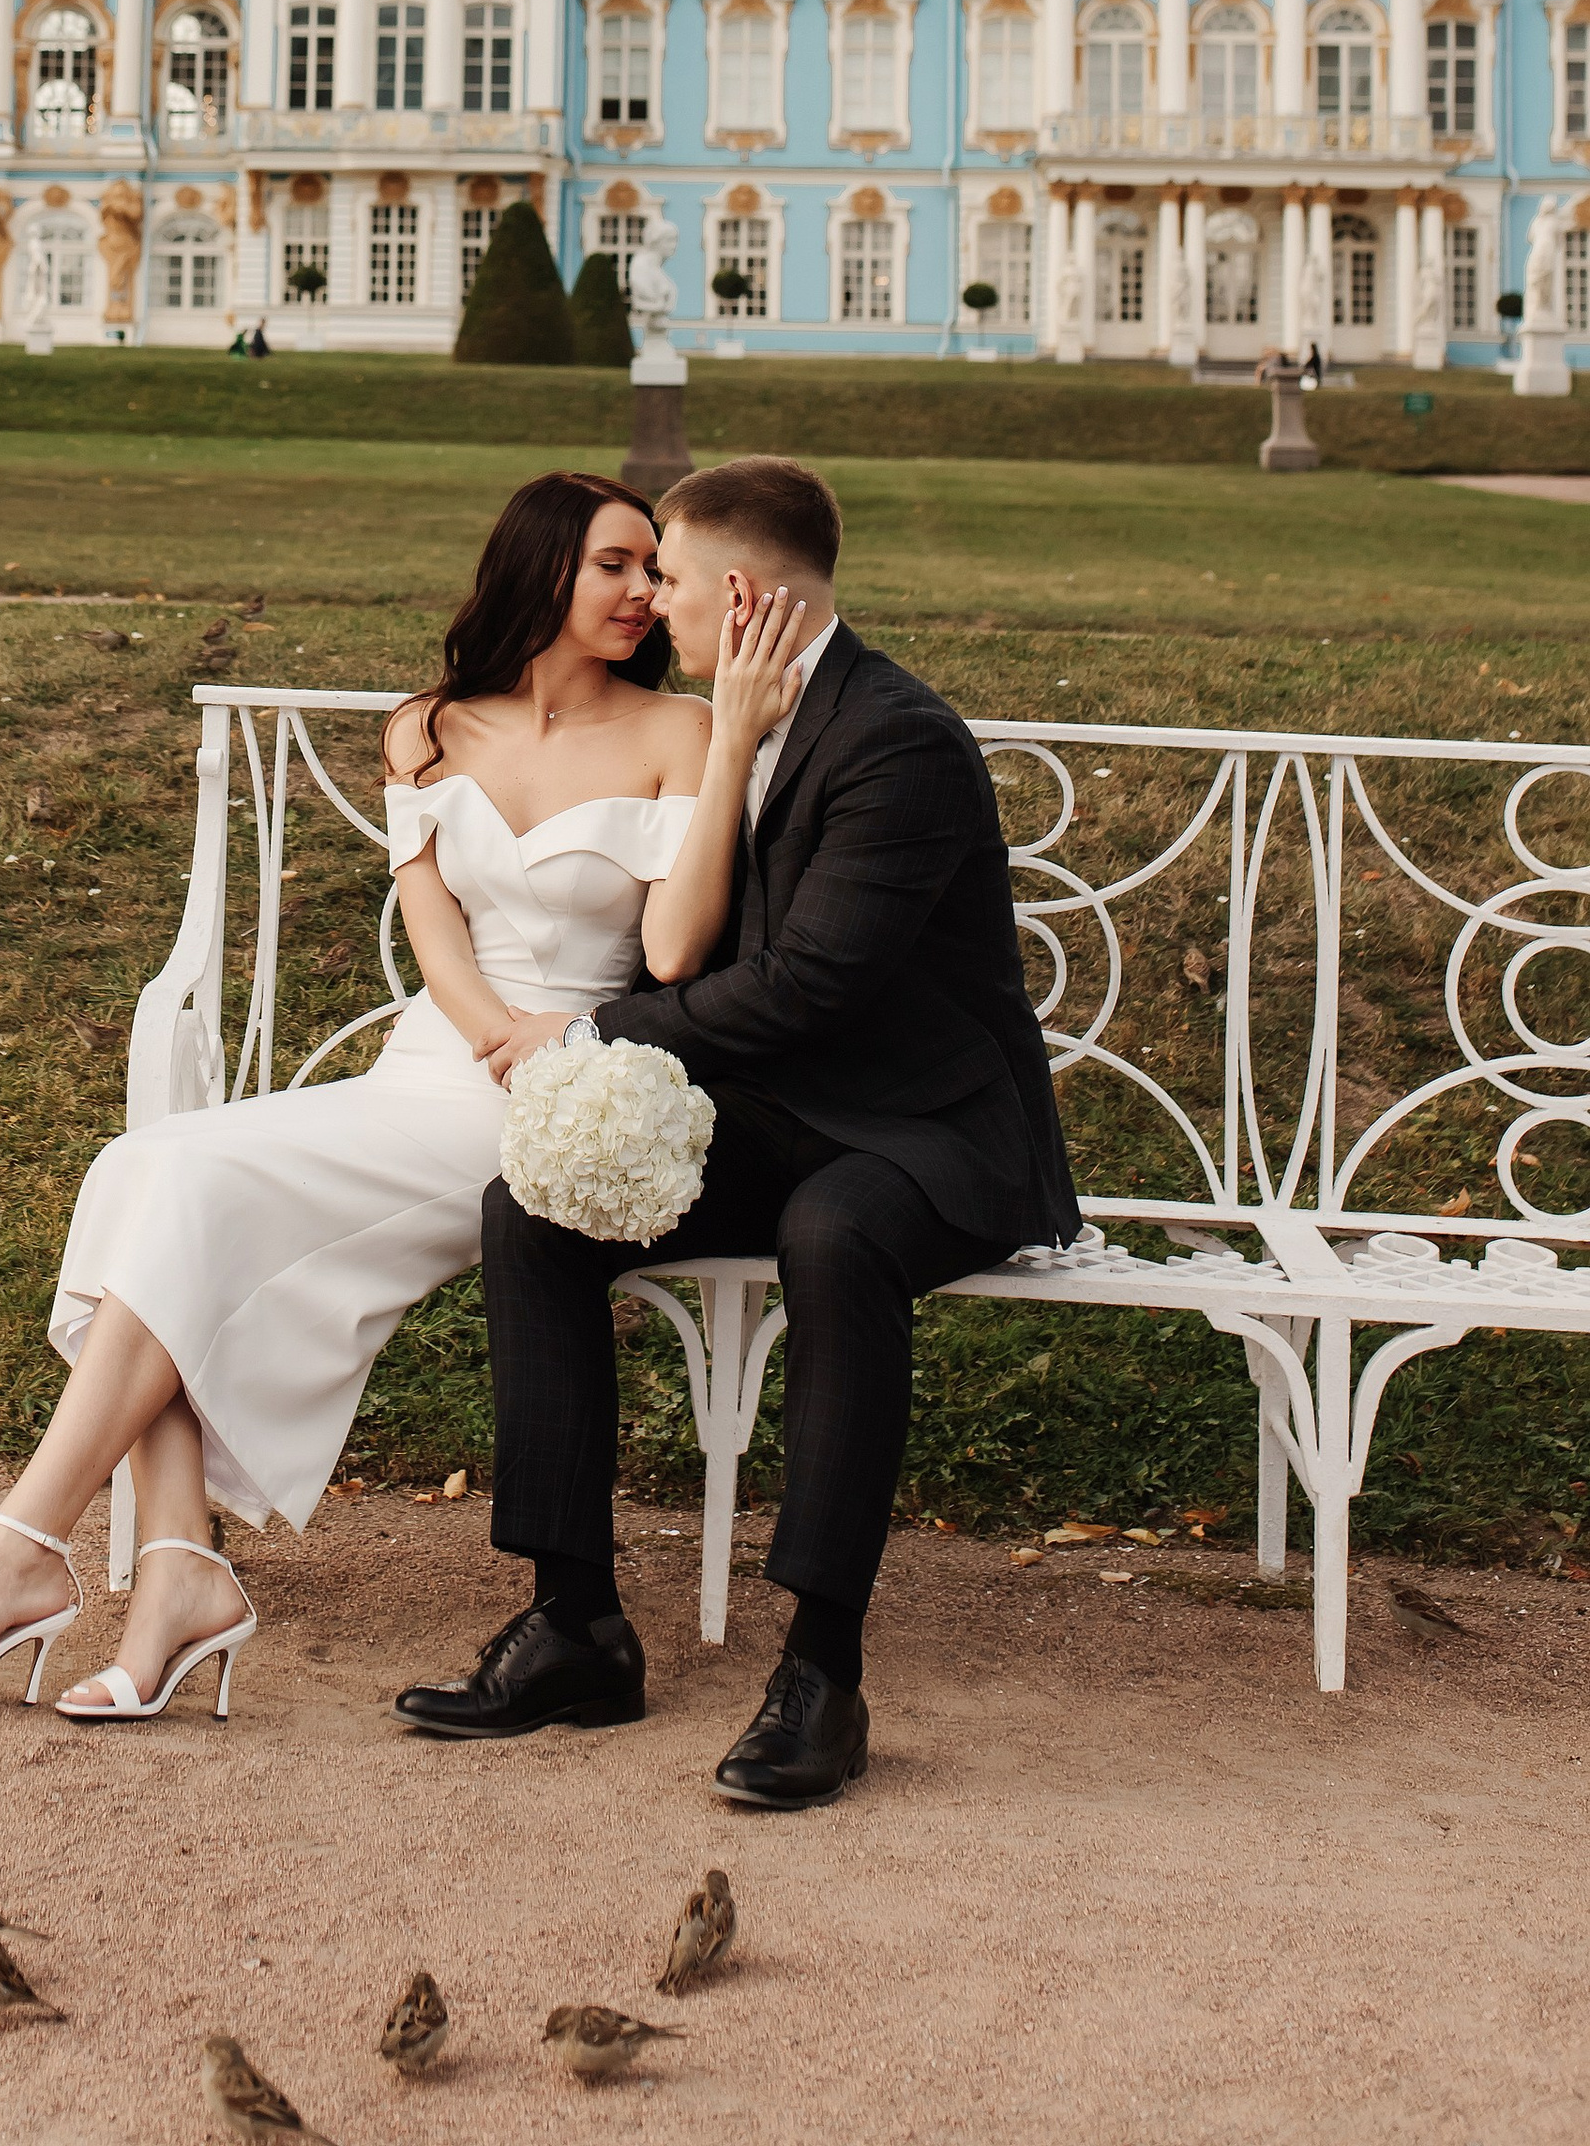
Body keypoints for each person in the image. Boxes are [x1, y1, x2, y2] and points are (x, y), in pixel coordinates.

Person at [0, 472, 812, 1724]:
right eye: (614, 566)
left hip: (562, 1088)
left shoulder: (680, 732)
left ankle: (29, 1553)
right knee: (143, 1168)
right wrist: (484, 1032)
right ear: (538, 572)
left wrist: (732, 738)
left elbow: (675, 953)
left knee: (183, 1187)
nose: (642, 593)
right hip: (438, 1062)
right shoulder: (424, 727)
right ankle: (172, 1571)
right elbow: (435, 937)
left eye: (650, 571)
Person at [396, 453, 1079, 1811]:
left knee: (835, 1238)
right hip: (792, 1112)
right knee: (533, 1208)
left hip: (937, 1133)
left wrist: (584, 1035)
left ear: (745, 591)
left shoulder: (895, 735)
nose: (654, 600)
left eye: (673, 576)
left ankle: (822, 1676)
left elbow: (812, 984)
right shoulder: (740, 719)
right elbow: (691, 948)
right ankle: (575, 1625)